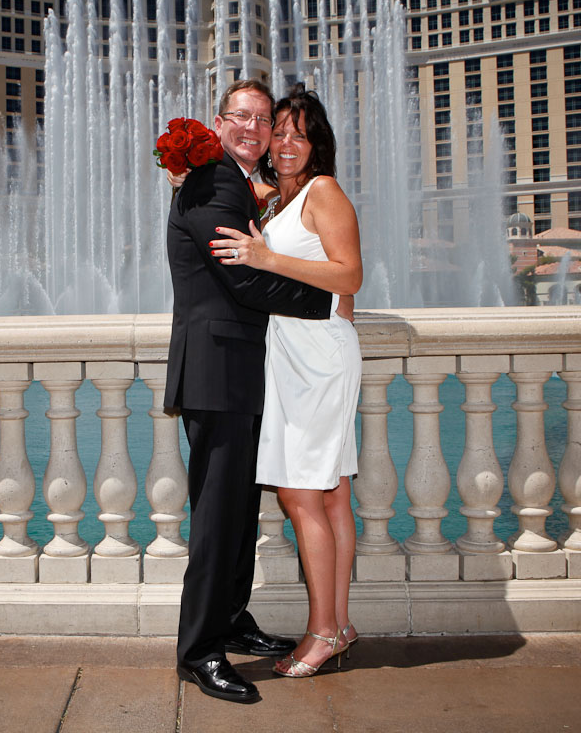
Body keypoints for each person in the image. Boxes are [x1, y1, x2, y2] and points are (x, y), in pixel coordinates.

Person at [165, 79, 333, 704]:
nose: (254, 129)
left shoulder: (233, 184)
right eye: (242, 116)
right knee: (215, 516)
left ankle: (231, 620)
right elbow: (244, 279)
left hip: (241, 370)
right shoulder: (212, 182)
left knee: (237, 512)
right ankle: (200, 652)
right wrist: (327, 297)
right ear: (219, 122)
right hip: (218, 371)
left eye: (264, 121)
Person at [209, 83, 363, 678]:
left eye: (300, 133)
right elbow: (229, 179)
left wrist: (265, 258)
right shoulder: (276, 199)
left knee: (302, 495)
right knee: (332, 494)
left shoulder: (323, 191)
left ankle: (323, 631)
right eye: (281, 132)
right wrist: (182, 174)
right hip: (296, 353)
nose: (287, 142)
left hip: (318, 356)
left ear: (316, 141)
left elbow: (349, 275)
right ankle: (341, 624)